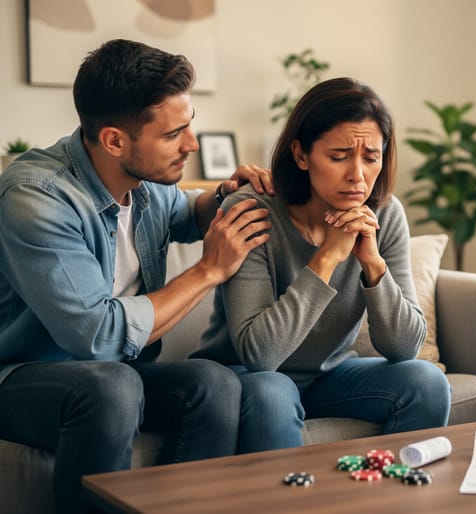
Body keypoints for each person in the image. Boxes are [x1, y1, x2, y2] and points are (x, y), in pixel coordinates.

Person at [0, 39, 274, 514]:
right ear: (113, 140)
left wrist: (226, 192)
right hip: (20, 378)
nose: (191, 144)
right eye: (173, 135)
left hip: (115, 376)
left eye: (190, 126)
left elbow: (187, 213)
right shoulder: (35, 197)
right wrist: (210, 270)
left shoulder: (142, 183)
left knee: (215, 384)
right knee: (112, 385)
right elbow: (99, 337)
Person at [191, 77, 451, 450]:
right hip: (249, 375)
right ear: (301, 155)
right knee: (271, 392)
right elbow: (260, 355)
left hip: (331, 375)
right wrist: (327, 258)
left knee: (426, 383)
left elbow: (403, 349)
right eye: (339, 156)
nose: (357, 175)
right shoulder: (251, 211)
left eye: (370, 157)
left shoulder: (386, 214)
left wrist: (372, 264)